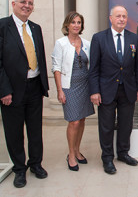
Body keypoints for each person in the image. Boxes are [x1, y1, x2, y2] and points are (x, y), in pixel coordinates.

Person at [0, 0, 49, 188]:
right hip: (12, 91)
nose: (27, 5)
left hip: (34, 87)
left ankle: (36, 164)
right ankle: (19, 169)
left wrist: (43, 85)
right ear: (13, 4)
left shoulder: (35, 28)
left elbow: (40, 58)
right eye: (23, 2)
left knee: (35, 130)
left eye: (30, 3)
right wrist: (3, 90)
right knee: (14, 132)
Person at [88, 5, 138, 175]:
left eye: (124, 16)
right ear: (110, 18)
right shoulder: (98, 38)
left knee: (126, 124)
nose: (121, 19)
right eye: (118, 16)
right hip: (106, 90)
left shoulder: (133, 38)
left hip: (128, 90)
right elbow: (94, 68)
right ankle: (107, 158)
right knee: (106, 126)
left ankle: (123, 153)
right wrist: (94, 91)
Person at [51, 12, 95, 171]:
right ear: (67, 25)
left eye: (79, 22)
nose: (76, 25)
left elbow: (92, 65)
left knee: (82, 120)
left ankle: (77, 150)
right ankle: (70, 154)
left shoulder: (87, 43)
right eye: (73, 22)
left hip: (85, 86)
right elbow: (56, 68)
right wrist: (59, 90)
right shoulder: (61, 43)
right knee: (74, 121)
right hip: (69, 87)